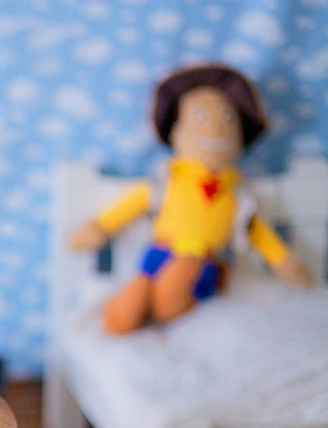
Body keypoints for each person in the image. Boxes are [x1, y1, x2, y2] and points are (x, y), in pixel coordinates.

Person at [69, 64, 313, 334]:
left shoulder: (238, 198)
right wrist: (98, 227)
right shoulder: (167, 182)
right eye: (200, 116)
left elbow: (258, 232)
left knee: (186, 267)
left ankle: (164, 308)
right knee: (140, 285)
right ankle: (122, 315)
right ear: (177, 130)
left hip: (205, 264)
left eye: (228, 119)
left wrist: (283, 261)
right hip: (160, 255)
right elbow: (130, 206)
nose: (216, 128)